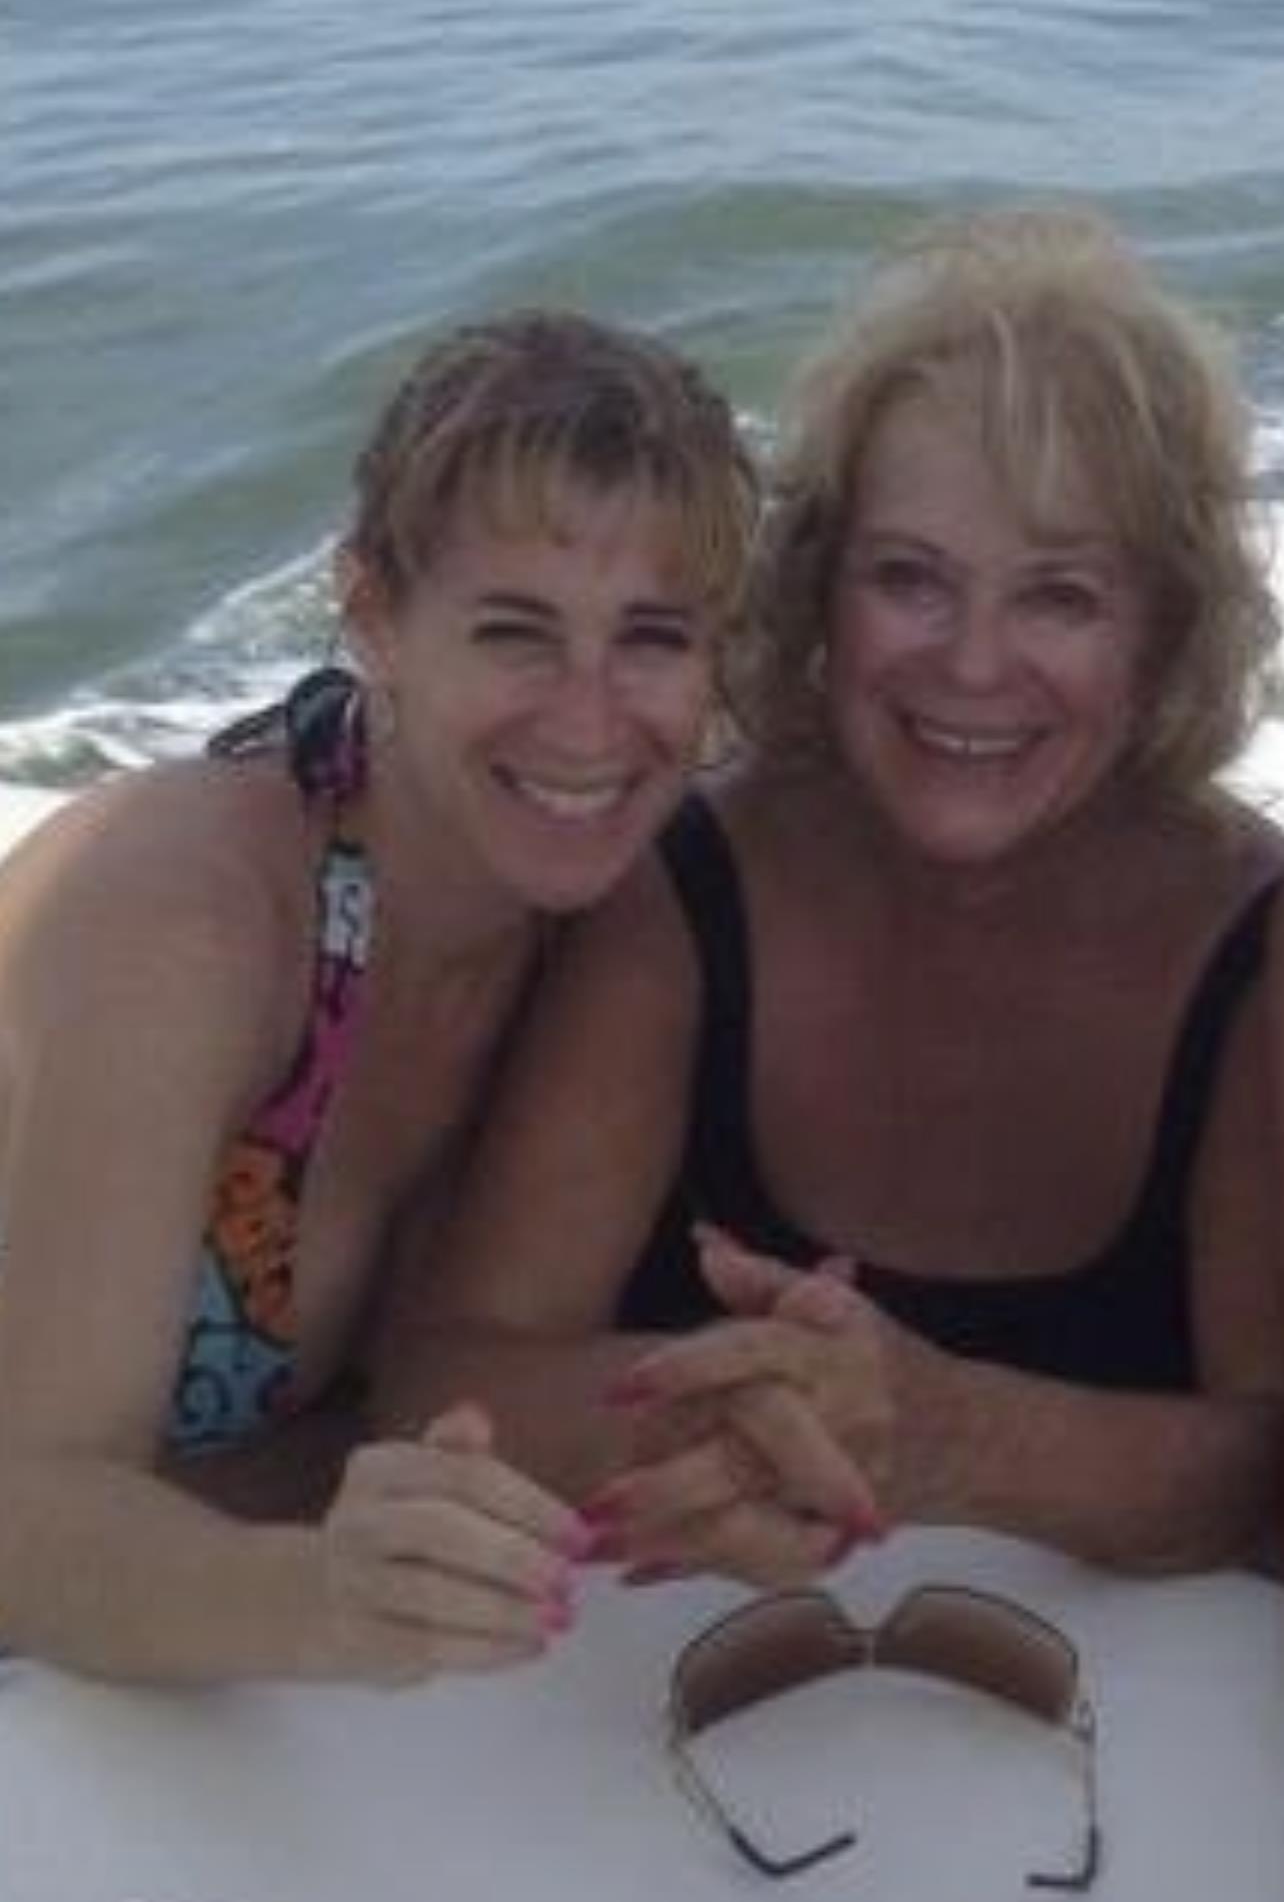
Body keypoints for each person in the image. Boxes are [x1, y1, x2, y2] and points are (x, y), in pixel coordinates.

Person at [374, 207, 1284, 1585]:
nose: (972, 664)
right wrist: (751, 1420)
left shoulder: (1254, 943)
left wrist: (956, 1435)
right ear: (821, 591)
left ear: (1162, 632)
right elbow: (443, 1373)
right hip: (683, 1694)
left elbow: (1260, 1475)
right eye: (910, 578)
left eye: (1060, 596)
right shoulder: (686, 887)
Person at [0, 309, 759, 1680]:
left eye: (651, 635)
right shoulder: (190, 920)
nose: (590, 720)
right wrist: (319, 1603)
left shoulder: (611, 928)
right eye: (516, 630)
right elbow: (24, 1514)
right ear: (375, 619)